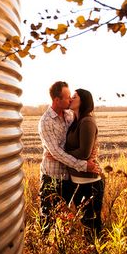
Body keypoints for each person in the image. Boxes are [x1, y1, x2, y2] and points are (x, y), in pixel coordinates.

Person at [38, 81, 92, 233]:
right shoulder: (45, 121)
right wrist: (83, 165)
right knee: (48, 220)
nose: (70, 100)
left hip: (69, 177)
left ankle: (64, 252)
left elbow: (74, 143)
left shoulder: (69, 115)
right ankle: (46, 253)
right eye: (68, 97)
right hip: (52, 177)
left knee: (67, 220)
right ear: (57, 100)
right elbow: (55, 152)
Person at [65, 88, 104, 237]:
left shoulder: (87, 121)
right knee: (85, 224)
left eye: (74, 97)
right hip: (78, 182)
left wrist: (62, 154)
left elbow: (84, 153)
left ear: (83, 101)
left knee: (92, 226)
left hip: (90, 183)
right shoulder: (76, 121)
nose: (70, 99)